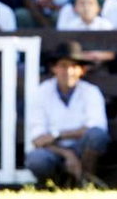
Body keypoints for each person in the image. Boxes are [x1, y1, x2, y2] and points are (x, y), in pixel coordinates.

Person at [26, 42, 110, 187]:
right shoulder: (41, 93)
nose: (68, 71)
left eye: (73, 66)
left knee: (96, 136)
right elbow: (37, 139)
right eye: (63, 65)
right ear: (54, 68)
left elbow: (96, 128)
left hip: (82, 148)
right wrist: (67, 154)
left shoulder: (91, 91)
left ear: (81, 70)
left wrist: (57, 135)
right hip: (54, 152)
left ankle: (85, 180)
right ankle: (57, 184)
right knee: (36, 159)